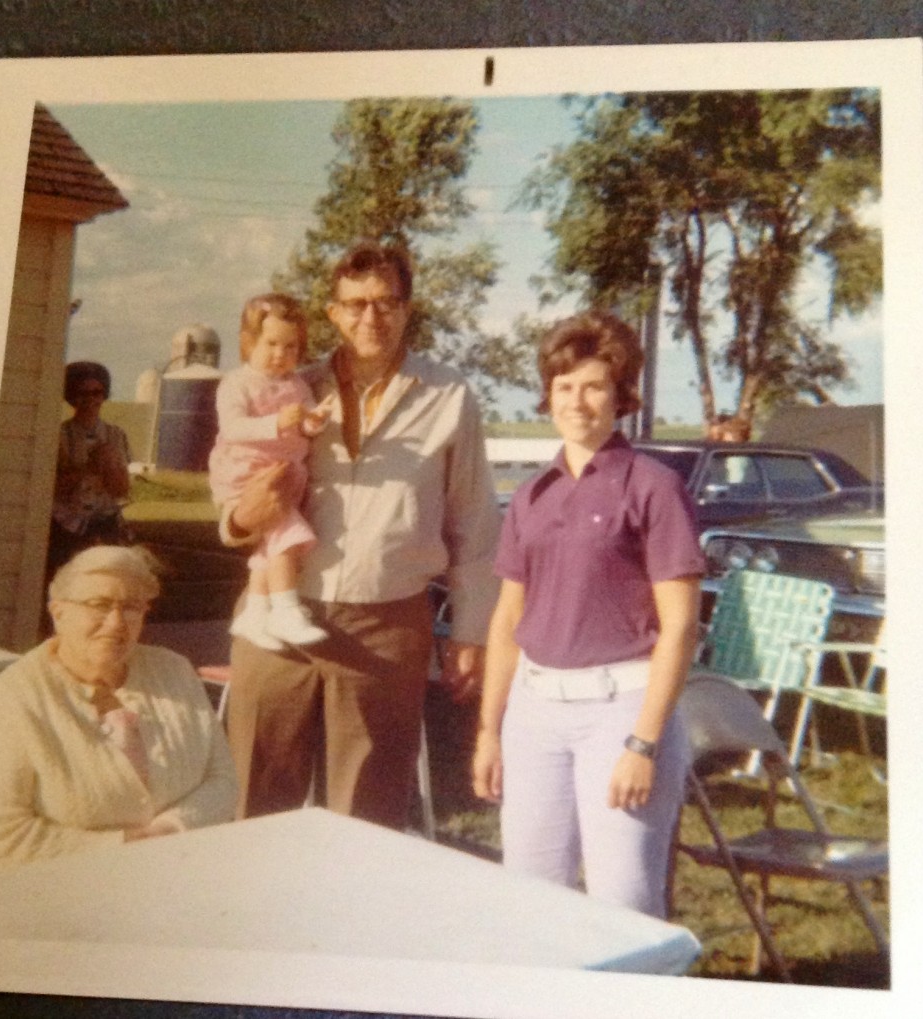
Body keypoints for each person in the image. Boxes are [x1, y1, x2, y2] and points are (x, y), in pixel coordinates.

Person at [221, 240, 501, 827]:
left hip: (386, 626)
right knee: (252, 795)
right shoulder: (293, 387)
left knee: (366, 814)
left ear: (407, 308)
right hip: (280, 615)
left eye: (385, 303)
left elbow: (475, 521)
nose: (369, 318)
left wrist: (471, 630)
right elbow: (231, 473)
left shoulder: (448, 395)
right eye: (354, 305)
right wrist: (240, 519)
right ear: (332, 312)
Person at [471, 310, 706, 917]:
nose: (578, 401)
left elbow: (680, 625)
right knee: (529, 901)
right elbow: (506, 621)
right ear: (549, 395)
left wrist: (644, 743)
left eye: (594, 385)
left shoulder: (654, 486)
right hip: (535, 712)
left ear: (621, 396)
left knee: (621, 904)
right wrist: (490, 730)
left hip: (620, 711)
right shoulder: (530, 495)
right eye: (565, 386)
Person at [0, 545, 236, 874]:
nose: (116, 622)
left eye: (131, 607)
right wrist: (123, 848)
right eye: (98, 605)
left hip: (174, 874)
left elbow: (222, 779)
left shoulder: (174, 672)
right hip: (54, 894)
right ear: (59, 614)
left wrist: (170, 829)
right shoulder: (17, 696)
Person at [208, 293, 332, 650]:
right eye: (271, 343)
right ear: (249, 343)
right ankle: (285, 609)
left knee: (269, 545)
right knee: (288, 536)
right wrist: (276, 422)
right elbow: (232, 428)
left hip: (283, 473)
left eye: (291, 347)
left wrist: (313, 421)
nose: (281, 354)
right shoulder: (238, 383)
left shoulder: (298, 385)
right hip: (248, 474)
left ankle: (254, 612)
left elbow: (307, 424)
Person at [47, 361, 132, 577]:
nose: (90, 399)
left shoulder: (116, 435)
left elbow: (121, 490)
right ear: (70, 396)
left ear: (104, 395)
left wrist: (111, 466)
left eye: (97, 392)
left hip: (106, 525)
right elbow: (52, 490)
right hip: (67, 528)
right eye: (81, 393)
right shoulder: (58, 436)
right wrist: (88, 467)